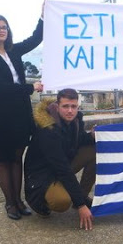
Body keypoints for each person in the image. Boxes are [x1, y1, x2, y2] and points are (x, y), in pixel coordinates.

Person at [0, 7, 44, 220]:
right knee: (4, 159)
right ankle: (9, 203)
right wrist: (31, 87)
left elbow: (36, 39)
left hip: (20, 111)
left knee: (17, 157)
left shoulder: (14, 50)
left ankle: (19, 201)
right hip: (2, 113)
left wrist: (43, 17)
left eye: (4, 27)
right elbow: (2, 88)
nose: (2, 30)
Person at [24, 89, 96, 230]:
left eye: (73, 106)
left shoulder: (75, 121)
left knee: (94, 150)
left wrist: (91, 136)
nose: (70, 111)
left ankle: (82, 195)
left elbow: (79, 139)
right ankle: (40, 204)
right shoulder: (48, 130)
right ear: (57, 106)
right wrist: (81, 205)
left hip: (61, 166)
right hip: (42, 176)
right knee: (62, 202)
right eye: (65, 106)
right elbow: (63, 169)